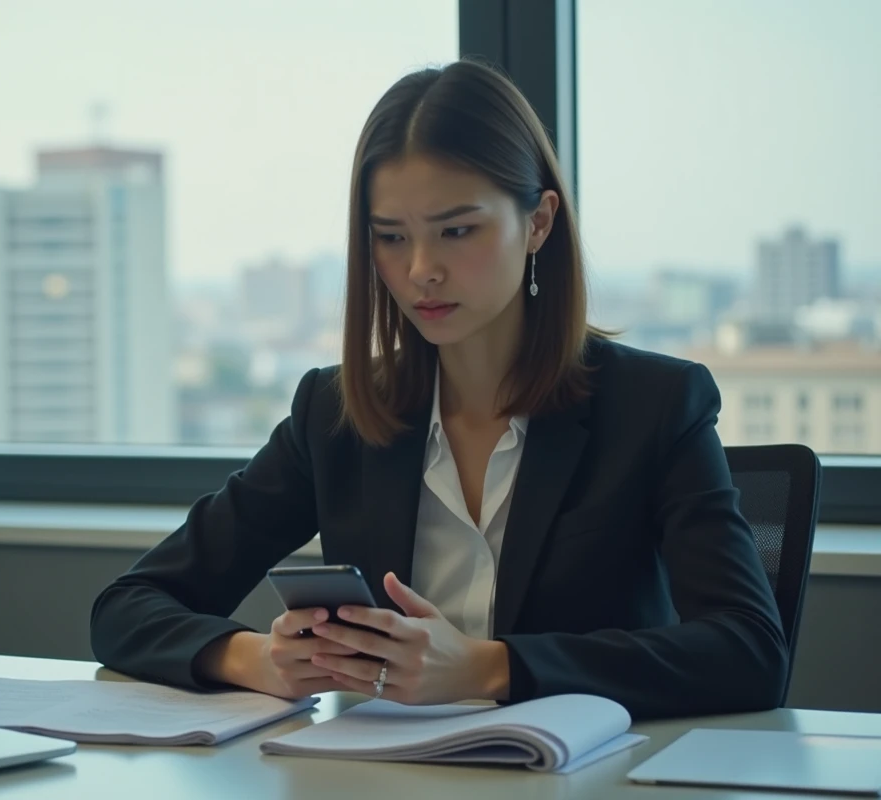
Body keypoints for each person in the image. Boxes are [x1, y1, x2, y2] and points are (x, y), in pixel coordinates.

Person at [90, 59, 787, 721]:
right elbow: (128, 606)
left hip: (584, 775)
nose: (422, 269)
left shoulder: (656, 405)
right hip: (386, 774)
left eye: (457, 230)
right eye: (392, 237)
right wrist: (259, 659)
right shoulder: (335, 415)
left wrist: (489, 668)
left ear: (538, 222)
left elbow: (749, 651)